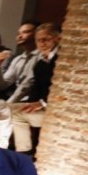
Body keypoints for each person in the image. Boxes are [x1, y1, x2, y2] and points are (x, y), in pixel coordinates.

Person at [10, 22, 60, 154]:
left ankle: (24, 152)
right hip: (41, 105)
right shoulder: (41, 63)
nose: (42, 43)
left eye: (46, 39)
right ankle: (17, 150)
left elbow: (59, 89)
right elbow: (36, 88)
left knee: (17, 114)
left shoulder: (60, 61)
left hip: (54, 108)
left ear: (57, 39)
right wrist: (30, 104)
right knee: (8, 109)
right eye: (39, 40)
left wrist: (42, 103)